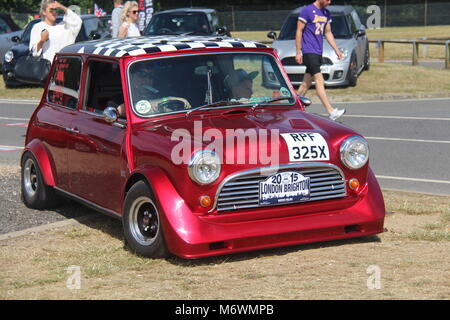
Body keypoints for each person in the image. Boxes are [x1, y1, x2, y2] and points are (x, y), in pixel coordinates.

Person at [295, 0, 346, 121]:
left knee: (305, 84)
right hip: (309, 51)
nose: (329, 2)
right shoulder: (307, 11)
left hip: (318, 52)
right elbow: (299, 31)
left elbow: (328, 33)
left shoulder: (326, 13)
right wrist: (298, 51)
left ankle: (291, 106)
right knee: (320, 80)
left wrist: (336, 50)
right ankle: (331, 111)